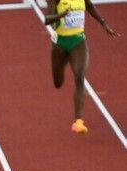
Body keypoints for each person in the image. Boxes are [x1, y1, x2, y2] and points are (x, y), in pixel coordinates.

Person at [43, 0, 119, 134]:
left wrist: (103, 24)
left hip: (78, 41)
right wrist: (61, 15)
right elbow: (47, 19)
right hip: (60, 44)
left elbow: (89, 6)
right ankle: (65, 60)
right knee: (58, 83)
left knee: (79, 75)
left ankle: (78, 121)